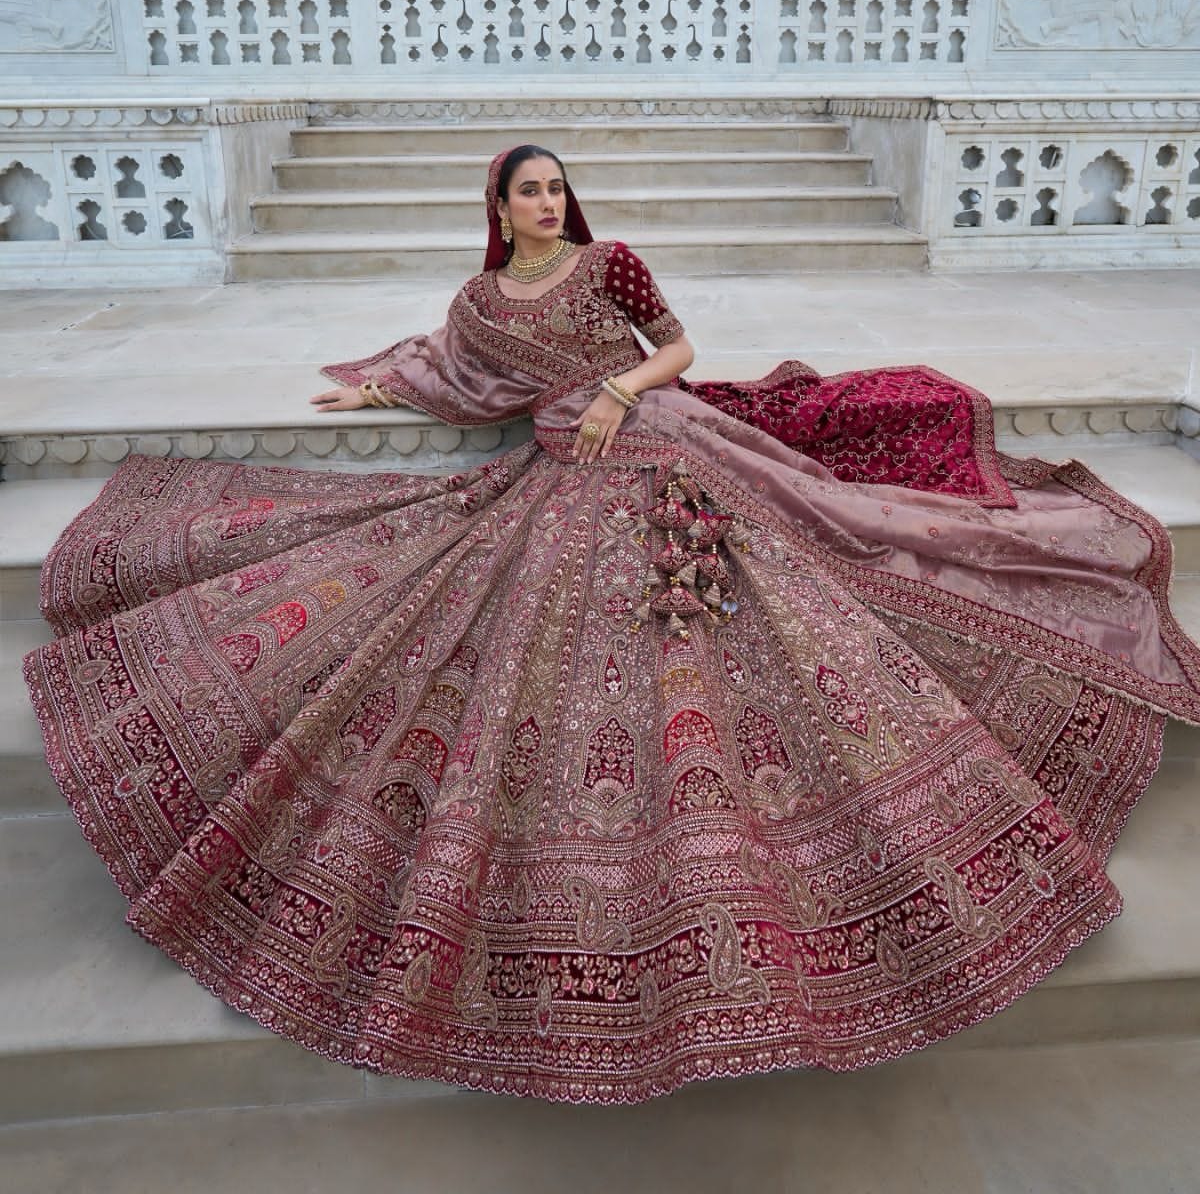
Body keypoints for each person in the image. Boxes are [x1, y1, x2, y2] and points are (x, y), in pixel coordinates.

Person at [25, 144, 1200, 1105]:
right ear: (496, 204)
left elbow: (681, 349)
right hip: (549, 474)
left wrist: (625, 392)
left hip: (661, 443)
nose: (548, 202)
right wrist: (379, 387)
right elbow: (456, 370)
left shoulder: (611, 265)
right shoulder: (478, 300)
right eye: (528, 190)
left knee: (818, 555)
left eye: (556, 187)